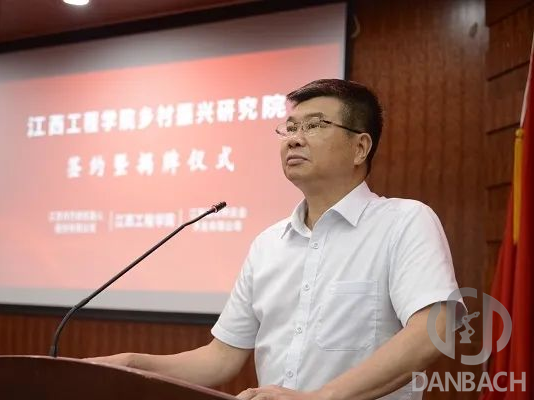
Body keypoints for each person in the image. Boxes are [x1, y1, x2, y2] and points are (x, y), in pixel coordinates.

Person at [86, 79, 465, 400]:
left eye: (314, 126)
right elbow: (221, 358)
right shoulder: (268, 245)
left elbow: (432, 332)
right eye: (290, 128)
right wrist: (133, 364)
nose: (294, 140)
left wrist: (320, 399)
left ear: (360, 148)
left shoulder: (403, 222)